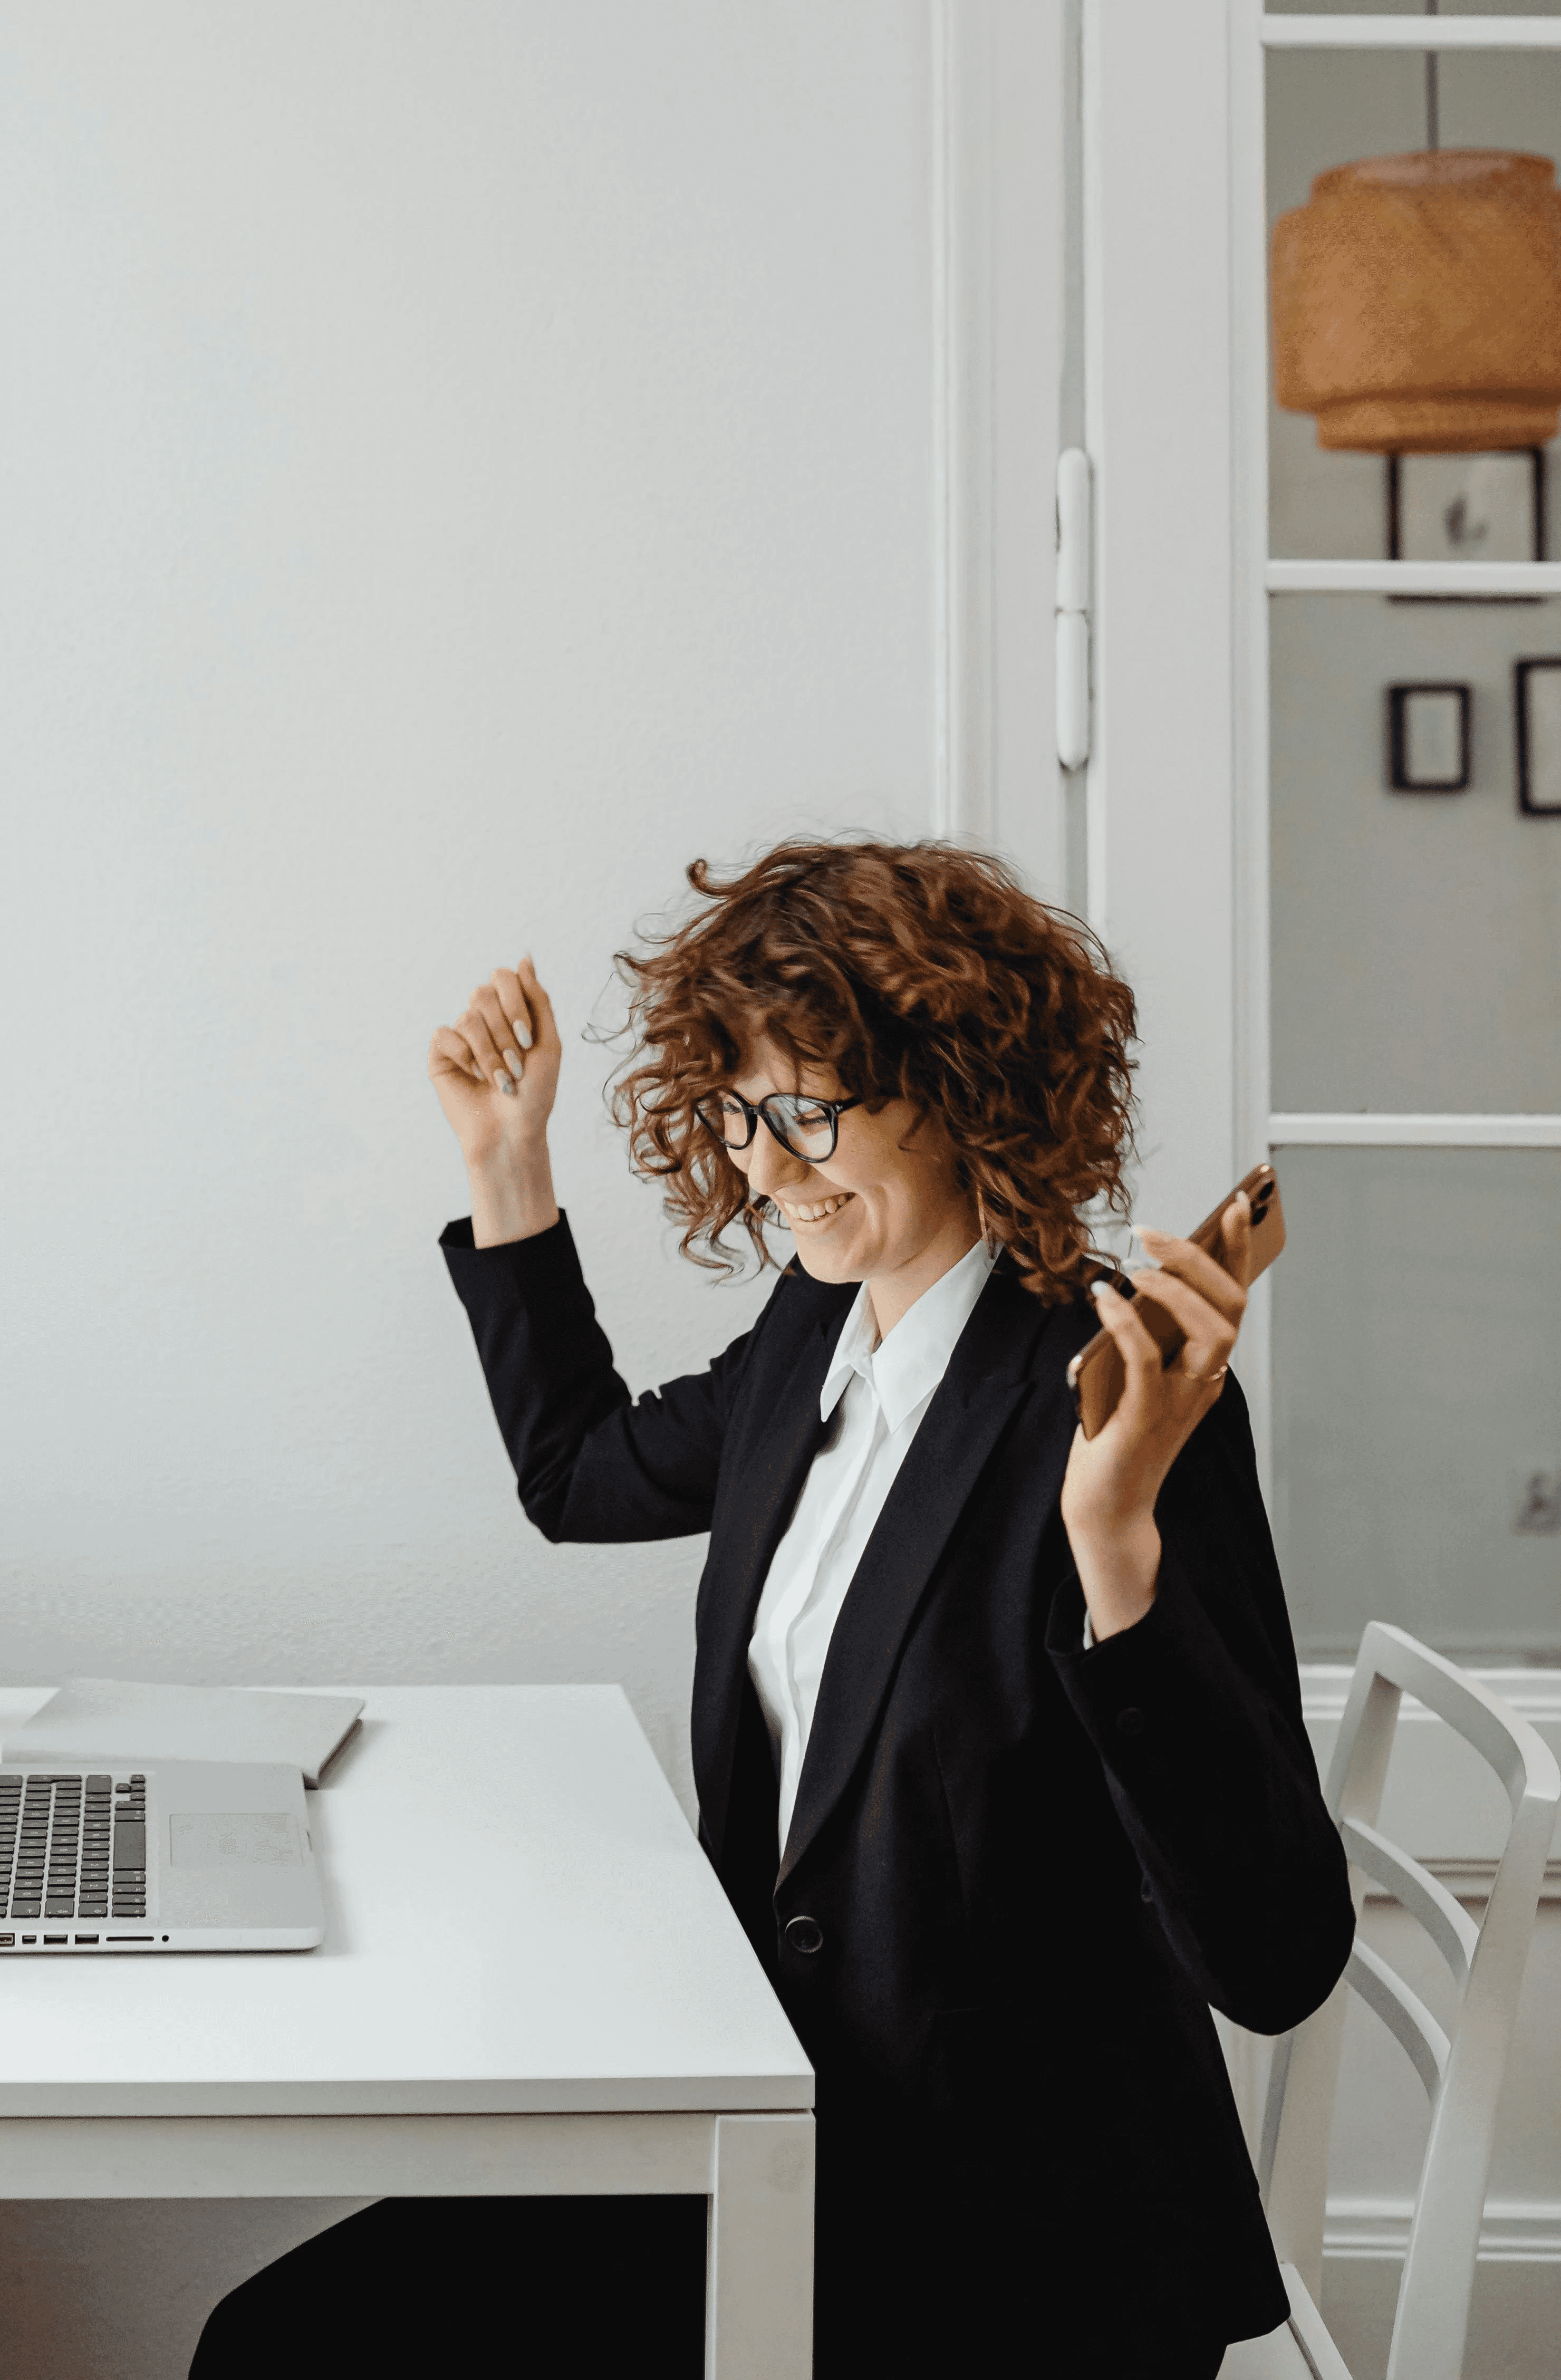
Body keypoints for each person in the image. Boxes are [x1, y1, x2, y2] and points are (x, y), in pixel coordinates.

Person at [195, 839, 1351, 2380]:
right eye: (738, 1113)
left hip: (1002, 2236)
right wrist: (507, 1168)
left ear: (959, 1089)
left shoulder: (1114, 1412)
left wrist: (1114, 1538)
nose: (761, 1163)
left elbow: (1273, 1955)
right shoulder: (819, 1328)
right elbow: (579, 1473)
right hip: (788, 2115)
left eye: (806, 1112)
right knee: (280, 2338)